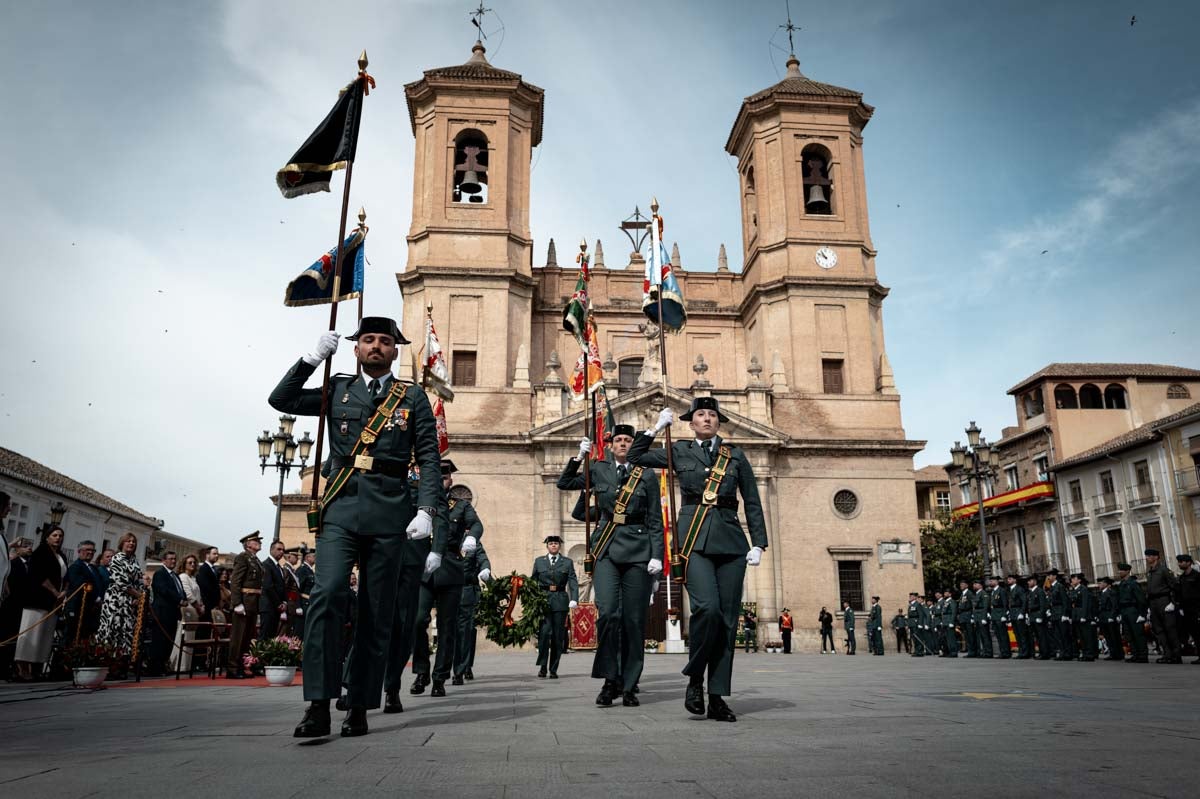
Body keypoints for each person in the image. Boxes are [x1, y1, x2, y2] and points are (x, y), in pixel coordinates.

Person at [271, 317, 444, 739]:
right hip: (341, 508)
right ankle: (317, 705)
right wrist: (312, 359)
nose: (376, 347)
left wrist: (426, 510)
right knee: (327, 594)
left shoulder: (413, 397)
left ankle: (360, 705)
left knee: (375, 610)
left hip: (390, 513)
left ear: (395, 350)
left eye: (385, 342)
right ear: (355, 348)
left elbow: (428, 454)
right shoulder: (338, 387)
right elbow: (282, 399)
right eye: (368, 340)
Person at [628, 398, 768, 723]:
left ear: (719, 421)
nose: (706, 419)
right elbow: (635, 457)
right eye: (700, 415)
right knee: (708, 609)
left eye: (712, 415)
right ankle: (695, 680)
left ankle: (717, 697)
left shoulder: (735, 456)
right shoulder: (679, 451)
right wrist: (654, 429)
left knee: (728, 621)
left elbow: (752, 500)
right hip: (693, 542)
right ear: (691, 422)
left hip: (732, 544)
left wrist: (759, 543)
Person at [558, 426, 661, 706]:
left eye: (628, 440)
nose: (623, 444)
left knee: (634, 620)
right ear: (611, 444)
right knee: (608, 615)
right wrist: (579, 456)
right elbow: (564, 483)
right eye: (618, 440)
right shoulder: (599, 468)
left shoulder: (647, 475)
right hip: (605, 550)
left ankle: (629, 684)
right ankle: (609, 679)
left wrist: (657, 557)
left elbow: (655, 520)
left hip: (638, 552)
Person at [411, 460, 483, 698]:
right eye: (437, 476)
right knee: (418, 620)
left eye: (445, 477)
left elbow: (476, 525)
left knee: (446, 627)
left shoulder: (460, 506)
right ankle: (421, 671)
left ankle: (439, 677)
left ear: (450, 480)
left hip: (450, 568)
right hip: (423, 570)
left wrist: (471, 537)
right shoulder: (418, 501)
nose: (442, 480)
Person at [14, 525, 68, 680]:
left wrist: (64, 591)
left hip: (53, 603)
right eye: (55, 535)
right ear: (47, 537)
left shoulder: (62, 556)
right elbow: (39, 575)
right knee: (32, 633)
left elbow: (66, 576)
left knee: (45, 636)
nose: (58, 538)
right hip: (37, 599)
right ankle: (22, 668)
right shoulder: (40, 552)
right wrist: (55, 592)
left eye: (60, 535)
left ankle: (37, 668)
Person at [532, 535, 578, 679]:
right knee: (544, 634)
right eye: (551, 543)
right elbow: (533, 581)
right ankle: (543, 667)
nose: (553, 546)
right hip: (543, 600)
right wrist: (532, 600)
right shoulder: (539, 561)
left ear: (559, 546)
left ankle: (553, 669)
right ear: (547, 546)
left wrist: (574, 599)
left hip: (560, 600)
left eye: (556, 544)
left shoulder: (567, 562)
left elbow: (573, 581)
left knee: (558, 636)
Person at [95, 533, 144, 659]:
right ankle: (108, 659)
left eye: (133, 541)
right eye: (128, 541)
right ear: (122, 543)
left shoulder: (134, 561)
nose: (131, 543)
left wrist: (139, 596)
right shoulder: (116, 559)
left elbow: (139, 580)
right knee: (113, 630)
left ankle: (122, 661)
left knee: (127, 632)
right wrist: (139, 596)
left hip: (130, 603)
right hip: (116, 600)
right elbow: (121, 582)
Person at [226, 532, 264, 679]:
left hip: (253, 603)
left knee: (247, 638)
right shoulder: (242, 557)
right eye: (256, 541)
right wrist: (237, 603)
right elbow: (235, 581)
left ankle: (241, 667)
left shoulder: (256, 560)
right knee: (238, 637)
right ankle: (233, 668)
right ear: (248, 544)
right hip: (244, 601)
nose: (259, 543)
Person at [147, 551, 186, 676]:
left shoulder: (175, 575)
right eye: (170, 559)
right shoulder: (160, 574)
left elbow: (180, 590)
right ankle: (155, 667)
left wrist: (183, 598)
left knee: (169, 640)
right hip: (162, 612)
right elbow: (164, 590)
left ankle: (163, 664)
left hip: (173, 613)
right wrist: (179, 599)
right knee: (160, 640)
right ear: (164, 560)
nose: (173, 561)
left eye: (175, 559)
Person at [1143, 548, 1181, 664]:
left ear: (1156, 557)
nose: (1147, 558)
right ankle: (1167, 654)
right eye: (1147, 556)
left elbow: (1175, 586)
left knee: (1170, 629)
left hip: (1164, 601)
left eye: (1149, 556)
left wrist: (1173, 602)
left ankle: (1176, 655)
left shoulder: (1164, 570)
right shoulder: (1149, 572)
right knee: (1159, 630)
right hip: (1153, 603)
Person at [64, 540, 102, 641]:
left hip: (90, 610)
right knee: (72, 637)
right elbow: (80, 585)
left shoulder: (93, 568)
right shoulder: (76, 567)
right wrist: (97, 598)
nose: (90, 552)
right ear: (79, 551)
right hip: (77, 607)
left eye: (93, 550)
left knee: (85, 638)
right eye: (87, 550)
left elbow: (98, 584)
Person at [1115, 563, 1148, 663]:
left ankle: (1142, 655)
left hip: (1133, 610)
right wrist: (1119, 613)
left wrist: (1142, 614)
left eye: (1121, 570)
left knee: (1138, 633)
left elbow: (1141, 600)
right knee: (1129, 634)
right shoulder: (1121, 584)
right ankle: (1135, 654)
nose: (1119, 572)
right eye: (1119, 570)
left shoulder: (1133, 583)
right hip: (1124, 611)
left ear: (1127, 571)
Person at [259, 540, 288, 641]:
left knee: (272, 637)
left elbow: (282, 586)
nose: (282, 552)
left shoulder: (279, 567)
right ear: (271, 550)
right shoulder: (266, 564)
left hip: (276, 608)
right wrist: (279, 604)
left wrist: (284, 602)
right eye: (279, 549)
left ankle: (267, 657)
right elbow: (268, 586)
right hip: (268, 606)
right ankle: (259, 657)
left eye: (283, 550)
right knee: (264, 636)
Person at [1175, 554, 1200, 664]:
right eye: (1179, 562)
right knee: (1194, 633)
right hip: (1186, 610)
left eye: (1182, 562)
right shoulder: (1181, 578)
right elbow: (1179, 594)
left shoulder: (1197, 576)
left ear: (1189, 562)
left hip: (1197, 609)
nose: (1180, 564)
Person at [1069, 573, 1098, 661]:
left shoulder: (1083, 589)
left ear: (1079, 580)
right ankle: (1085, 653)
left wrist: (1084, 616)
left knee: (1087, 636)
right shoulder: (1074, 590)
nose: (1072, 580)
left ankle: (1089, 654)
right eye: (1072, 579)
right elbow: (1073, 604)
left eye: (1074, 578)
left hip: (1083, 615)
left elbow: (1085, 604)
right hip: (1076, 615)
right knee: (1081, 637)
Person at [1096, 576, 1123, 661]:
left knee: (1114, 636)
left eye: (1100, 583)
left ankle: (1118, 654)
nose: (1099, 585)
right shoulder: (1101, 593)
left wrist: (1112, 616)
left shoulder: (1110, 592)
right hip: (1103, 617)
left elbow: (1114, 605)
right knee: (1108, 637)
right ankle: (1112, 653)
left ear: (1106, 584)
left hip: (1109, 616)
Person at [1026, 574, 1051, 660]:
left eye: (1030, 581)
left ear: (1035, 581)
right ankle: (1041, 652)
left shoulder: (1039, 591)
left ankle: (1045, 653)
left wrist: (1040, 616)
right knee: (1037, 636)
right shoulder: (1030, 592)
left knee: (1042, 636)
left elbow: (1043, 604)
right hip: (1032, 616)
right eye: (1028, 581)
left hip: (1038, 615)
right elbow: (1029, 605)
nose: (1028, 582)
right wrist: (1028, 616)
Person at [295, 548, 316, 641]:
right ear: (307, 557)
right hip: (304, 605)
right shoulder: (302, 570)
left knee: (307, 632)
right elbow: (297, 589)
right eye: (314, 556)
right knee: (300, 633)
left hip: (310, 604)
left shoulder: (310, 571)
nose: (316, 558)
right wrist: (298, 606)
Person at [940, 588, 958, 657]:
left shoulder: (952, 601)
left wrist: (952, 622)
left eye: (946, 593)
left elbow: (953, 612)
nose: (945, 594)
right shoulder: (945, 602)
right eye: (944, 593)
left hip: (949, 621)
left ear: (950, 594)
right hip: (945, 622)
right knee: (945, 638)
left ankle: (953, 652)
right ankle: (947, 651)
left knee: (951, 638)